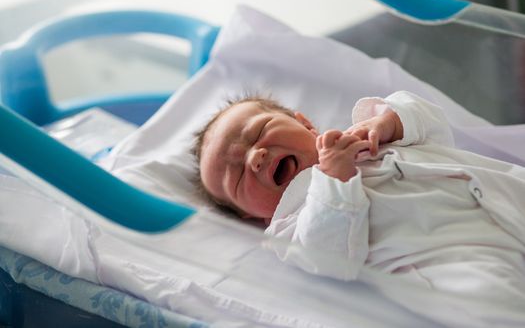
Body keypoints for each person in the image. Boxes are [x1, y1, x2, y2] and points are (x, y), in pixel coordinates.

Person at [193, 91, 525, 302]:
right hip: (457, 256)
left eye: (259, 132)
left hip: (506, 193)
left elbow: (430, 120)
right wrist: (333, 177)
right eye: (235, 176)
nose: (255, 157)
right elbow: (328, 258)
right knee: (494, 302)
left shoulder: (364, 135)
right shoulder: (289, 228)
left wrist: (389, 122)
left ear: (305, 124)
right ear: (251, 216)